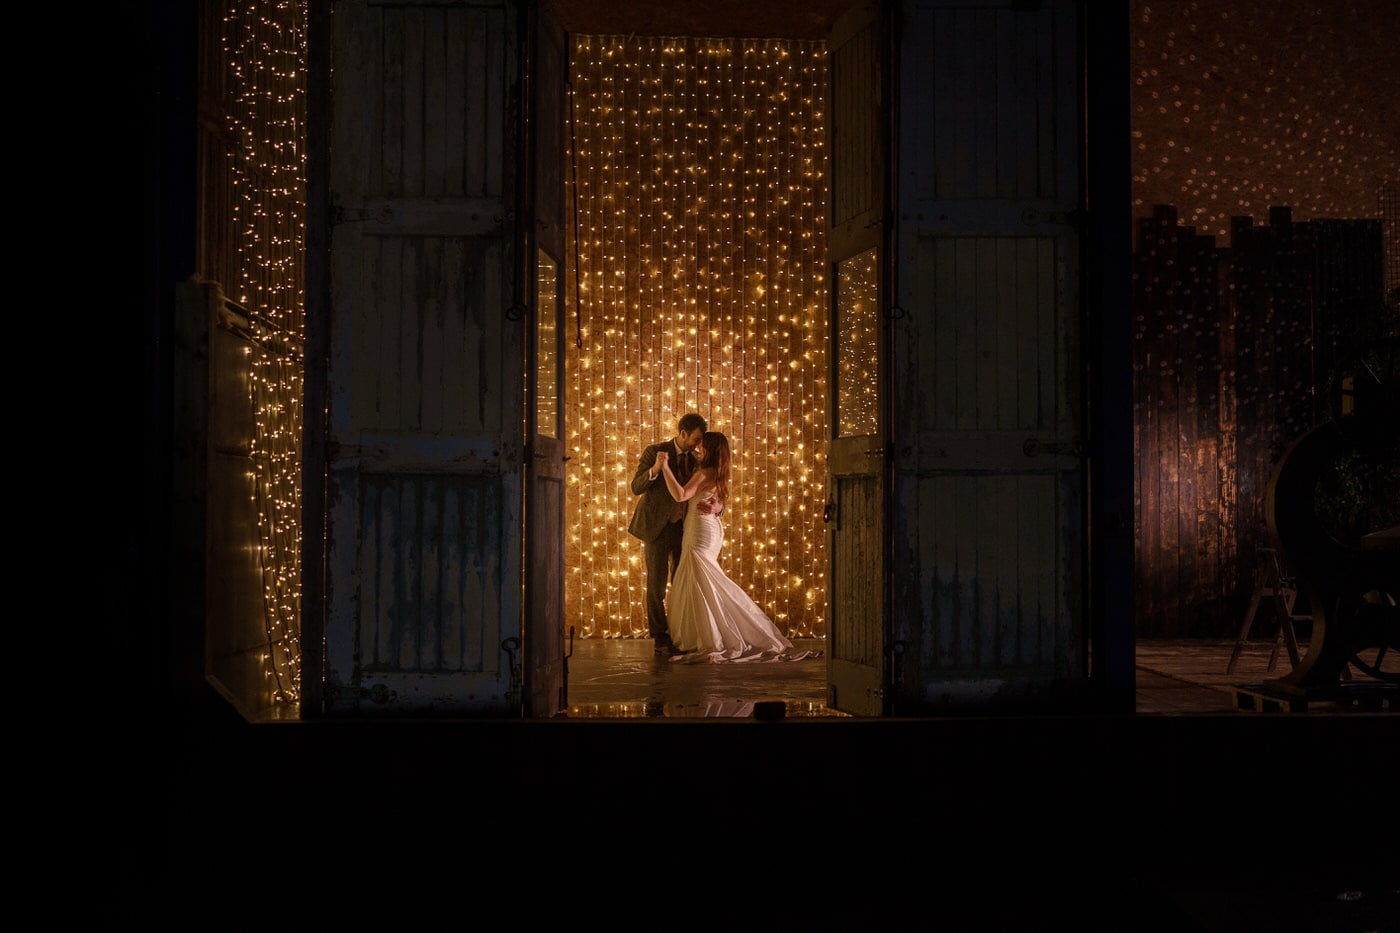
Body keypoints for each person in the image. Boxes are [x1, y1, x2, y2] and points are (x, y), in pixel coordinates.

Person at [657, 430, 819, 663]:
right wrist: (718, 507)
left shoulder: (704, 472)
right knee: (703, 578)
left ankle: (716, 633)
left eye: (702, 445)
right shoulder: (719, 472)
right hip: (710, 527)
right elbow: (717, 499)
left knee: (703, 577)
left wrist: (664, 468)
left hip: (700, 529)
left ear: (710, 449)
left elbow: (681, 495)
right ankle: (705, 630)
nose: (698, 448)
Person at [628, 412, 717, 656]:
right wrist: (656, 468)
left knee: (681, 584)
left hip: (685, 529)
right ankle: (660, 638)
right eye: (696, 439)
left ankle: (681, 633)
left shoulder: (701, 459)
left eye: (702, 441)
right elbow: (636, 487)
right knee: (656, 587)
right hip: (657, 528)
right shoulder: (656, 451)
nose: (699, 445)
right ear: (683, 433)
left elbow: (713, 485)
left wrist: (717, 507)